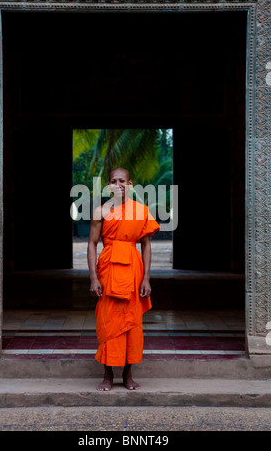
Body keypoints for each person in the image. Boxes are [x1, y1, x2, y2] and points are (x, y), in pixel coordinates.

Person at [87, 167, 160, 391]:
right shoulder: (101, 211)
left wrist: (146, 278)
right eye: (113, 181)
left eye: (122, 181)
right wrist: (93, 278)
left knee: (132, 323)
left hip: (133, 269)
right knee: (108, 320)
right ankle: (107, 375)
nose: (117, 184)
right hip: (108, 268)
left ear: (129, 185)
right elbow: (91, 244)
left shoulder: (141, 211)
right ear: (109, 186)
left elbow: (146, 245)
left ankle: (128, 375)